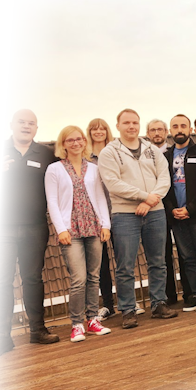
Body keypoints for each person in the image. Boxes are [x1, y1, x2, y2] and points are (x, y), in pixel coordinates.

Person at [97, 109, 178, 328]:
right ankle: (128, 310)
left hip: (155, 212)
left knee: (158, 261)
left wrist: (150, 201)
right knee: (125, 265)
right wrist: (143, 196)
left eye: (135, 122)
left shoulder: (152, 150)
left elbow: (164, 178)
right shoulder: (109, 152)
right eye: (126, 123)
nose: (131, 126)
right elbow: (113, 183)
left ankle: (158, 304)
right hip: (124, 214)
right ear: (118, 126)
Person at [0, 110, 61, 360]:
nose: (26, 126)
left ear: (36, 128)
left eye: (31, 123)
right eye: (21, 122)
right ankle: (1, 337)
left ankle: (38, 330)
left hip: (35, 227)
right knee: (1, 281)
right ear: (11, 124)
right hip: (2, 228)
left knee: (33, 279)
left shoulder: (47, 154)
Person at [45, 126, 113, 342]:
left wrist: (105, 225)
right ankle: (77, 324)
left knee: (94, 276)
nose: (75, 143)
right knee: (78, 278)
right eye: (70, 140)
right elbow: (52, 202)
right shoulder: (54, 169)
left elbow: (100, 197)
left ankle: (92, 320)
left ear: (84, 142)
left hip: (93, 226)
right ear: (63, 144)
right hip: (70, 230)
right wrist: (61, 229)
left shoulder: (93, 168)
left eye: (79, 139)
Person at [163, 115, 196, 311]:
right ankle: (194, 294)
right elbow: (163, 186)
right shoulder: (166, 157)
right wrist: (172, 210)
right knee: (187, 257)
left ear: (190, 130)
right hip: (176, 216)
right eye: (175, 126)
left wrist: (190, 208)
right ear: (170, 130)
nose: (179, 129)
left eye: (183, 126)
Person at [149, 118, 192, 308]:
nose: (157, 133)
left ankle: (189, 292)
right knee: (162, 254)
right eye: (153, 130)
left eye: (160, 129)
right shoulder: (144, 154)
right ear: (148, 134)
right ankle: (168, 296)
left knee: (185, 252)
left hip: (175, 206)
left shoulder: (173, 153)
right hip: (156, 209)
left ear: (166, 132)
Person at [87, 118, 120, 320]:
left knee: (122, 258)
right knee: (100, 263)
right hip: (95, 215)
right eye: (94, 129)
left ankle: (127, 301)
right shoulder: (84, 157)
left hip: (118, 210)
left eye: (102, 129)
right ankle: (108, 304)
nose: (98, 132)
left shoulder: (116, 151)